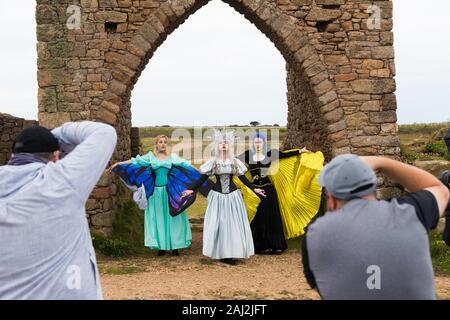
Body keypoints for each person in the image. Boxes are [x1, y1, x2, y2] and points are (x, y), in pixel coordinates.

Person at [302, 154, 449, 300]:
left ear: (332, 200)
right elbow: (440, 189)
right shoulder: (410, 212)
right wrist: (381, 162)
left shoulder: (314, 235)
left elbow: (322, 286)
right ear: (373, 189)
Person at [0, 121, 117, 299]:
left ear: (12, 155)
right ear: (56, 156)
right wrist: (55, 135)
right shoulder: (61, 181)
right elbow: (104, 132)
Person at [182, 130, 266, 265]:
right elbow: (202, 178)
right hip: (218, 197)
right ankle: (222, 253)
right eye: (221, 143)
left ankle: (232, 252)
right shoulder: (214, 162)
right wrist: (190, 190)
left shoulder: (234, 162)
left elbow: (243, 178)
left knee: (233, 224)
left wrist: (254, 188)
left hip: (233, 197)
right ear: (217, 145)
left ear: (230, 145)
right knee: (219, 224)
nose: (224, 144)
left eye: (226, 142)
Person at [110, 135, 204, 256]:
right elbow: (135, 161)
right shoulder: (150, 157)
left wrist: (199, 171)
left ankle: (175, 247)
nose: (163, 144)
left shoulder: (172, 157)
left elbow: (185, 165)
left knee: (173, 218)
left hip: (169, 192)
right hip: (156, 193)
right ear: (156, 144)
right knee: (158, 218)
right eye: (160, 142)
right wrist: (119, 163)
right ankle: (162, 247)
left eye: (165, 142)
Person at [239, 131, 323, 254]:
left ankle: (275, 245)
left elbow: (285, 155)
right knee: (258, 216)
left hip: (268, 189)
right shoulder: (247, 155)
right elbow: (234, 162)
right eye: (255, 142)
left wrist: (300, 151)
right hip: (255, 189)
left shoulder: (270, 154)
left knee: (271, 216)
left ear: (264, 143)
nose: (258, 144)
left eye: (260, 142)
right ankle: (257, 246)